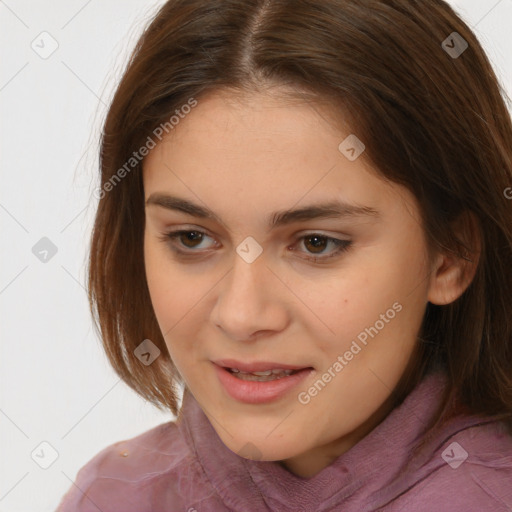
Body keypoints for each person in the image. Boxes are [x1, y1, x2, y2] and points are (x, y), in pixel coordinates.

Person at [56, 0, 512, 510]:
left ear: (450, 255)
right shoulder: (111, 495)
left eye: (317, 243)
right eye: (191, 238)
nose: (241, 316)